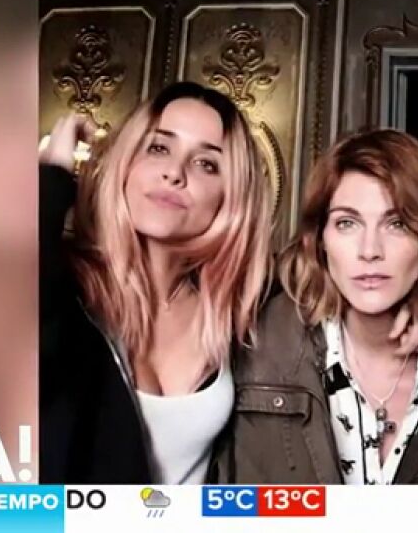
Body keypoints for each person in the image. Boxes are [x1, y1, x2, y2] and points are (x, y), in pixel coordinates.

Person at [209, 129, 418, 484]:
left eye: (397, 224)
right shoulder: (264, 342)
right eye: (347, 223)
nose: (370, 251)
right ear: (320, 240)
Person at [39, 81, 274, 483]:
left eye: (207, 164)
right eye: (159, 148)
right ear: (126, 163)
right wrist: (51, 178)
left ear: (231, 195)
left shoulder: (235, 310)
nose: (174, 173)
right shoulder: (64, 284)